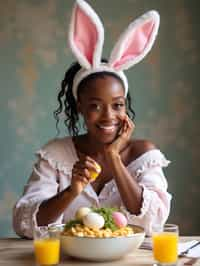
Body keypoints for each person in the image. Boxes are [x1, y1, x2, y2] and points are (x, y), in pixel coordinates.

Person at [13, 0, 171, 239]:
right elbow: (25, 226)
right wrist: (72, 190)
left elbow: (153, 225)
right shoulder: (56, 155)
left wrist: (113, 157)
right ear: (80, 107)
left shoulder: (144, 155)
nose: (109, 116)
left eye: (117, 105)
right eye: (95, 106)